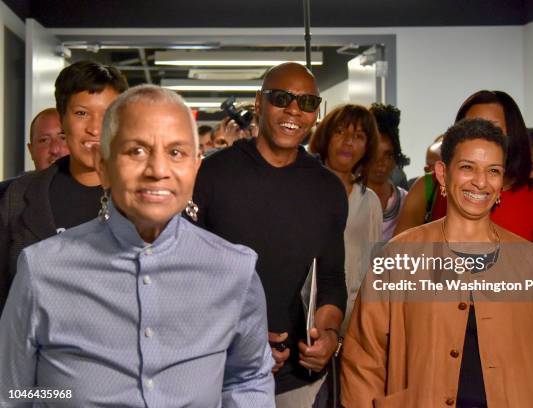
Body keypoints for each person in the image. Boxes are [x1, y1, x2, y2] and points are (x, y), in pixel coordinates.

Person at [0, 84, 275, 407]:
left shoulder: (234, 270)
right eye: (136, 151)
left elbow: (248, 378)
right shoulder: (42, 269)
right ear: (103, 167)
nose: (158, 171)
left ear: (195, 166)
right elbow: (13, 393)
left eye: (176, 152)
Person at [341, 118, 533, 408]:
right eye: (468, 167)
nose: (481, 182)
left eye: (493, 171)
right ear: (443, 174)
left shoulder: (530, 262)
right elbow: (363, 359)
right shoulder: (398, 257)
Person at [192, 62, 347, 407]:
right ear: (259, 104)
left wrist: (330, 336)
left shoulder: (328, 189)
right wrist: (242, 338)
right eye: (281, 98)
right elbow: (188, 275)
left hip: (298, 382)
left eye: (306, 103)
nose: (294, 110)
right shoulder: (211, 175)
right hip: (221, 374)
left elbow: (332, 278)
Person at [0, 60, 128, 312]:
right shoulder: (17, 196)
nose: (94, 128)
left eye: (107, 114)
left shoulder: (142, 198)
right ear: (63, 119)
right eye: (81, 113)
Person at [395, 90, 533, 240]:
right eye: (471, 126)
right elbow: (397, 262)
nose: (481, 137)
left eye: (493, 129)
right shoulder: (427, 187)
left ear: (512, 135)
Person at [309, 104, 382, 333]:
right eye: (340, 132)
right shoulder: (303, 190)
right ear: (326, 137)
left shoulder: (369, 201)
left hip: (351, 318)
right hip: (303, 312)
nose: (348, 142)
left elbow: (373, 267)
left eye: (359, 136)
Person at [367, 103, 409, 242]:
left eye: (388, 155)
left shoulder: (406, 201)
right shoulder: (346, 197)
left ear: (396, 157)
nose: (381, 162)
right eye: (375, 154)